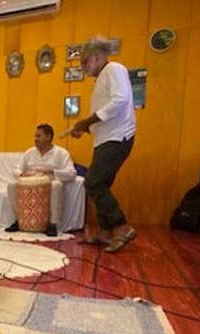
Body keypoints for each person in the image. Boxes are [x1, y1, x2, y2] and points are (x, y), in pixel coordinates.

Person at [66, 35, 137, 253]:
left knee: (93, 182)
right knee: (99, 184)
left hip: (117, 137)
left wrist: (87, 121)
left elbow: (120, 100)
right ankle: (106, 232)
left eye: (84, 62)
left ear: (97, 56)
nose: (83, 67)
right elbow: (106, 114)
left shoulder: (114, 69)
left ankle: (121, 227)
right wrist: (86, 128)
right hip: (106, 139)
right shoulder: (102, 78)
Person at [5, 124, 75, 237]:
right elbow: (16, 169)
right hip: (31, 183)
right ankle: (19, 221)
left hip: (49, 183)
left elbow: (72, 173)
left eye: (39, 136)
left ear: (48, 137)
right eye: (35, 136)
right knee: (11, 185)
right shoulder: (29, 152)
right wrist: (22, 174)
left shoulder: (61, 153)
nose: (36, 139)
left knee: (57, 185)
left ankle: (52, 224)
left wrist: (53, 172)